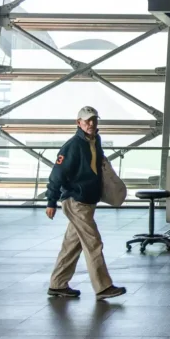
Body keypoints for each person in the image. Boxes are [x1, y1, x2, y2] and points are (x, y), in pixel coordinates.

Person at [45, 106, 126, 300]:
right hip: (76, 201)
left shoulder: (95, 141)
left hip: (88, 201)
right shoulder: (72, 146)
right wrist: (51, 201)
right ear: (78, 122)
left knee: (72, 245)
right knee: (93, 242)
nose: (91, 124)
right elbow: (57, 174)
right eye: (87, 120)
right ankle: (103, 287)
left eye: (94, 120)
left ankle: (57, 285)